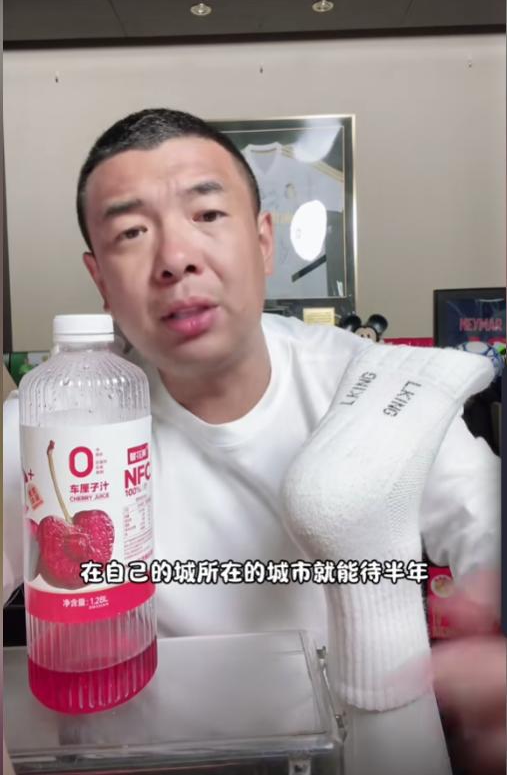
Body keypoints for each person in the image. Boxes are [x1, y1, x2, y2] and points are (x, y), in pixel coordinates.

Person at [3, 108, 503, 772]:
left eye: (208, 214)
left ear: (264, 241)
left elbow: (484, 518)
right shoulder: (58, 424)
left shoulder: (367, 385)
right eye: (131, 232)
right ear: (100, 282)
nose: (175, 259)